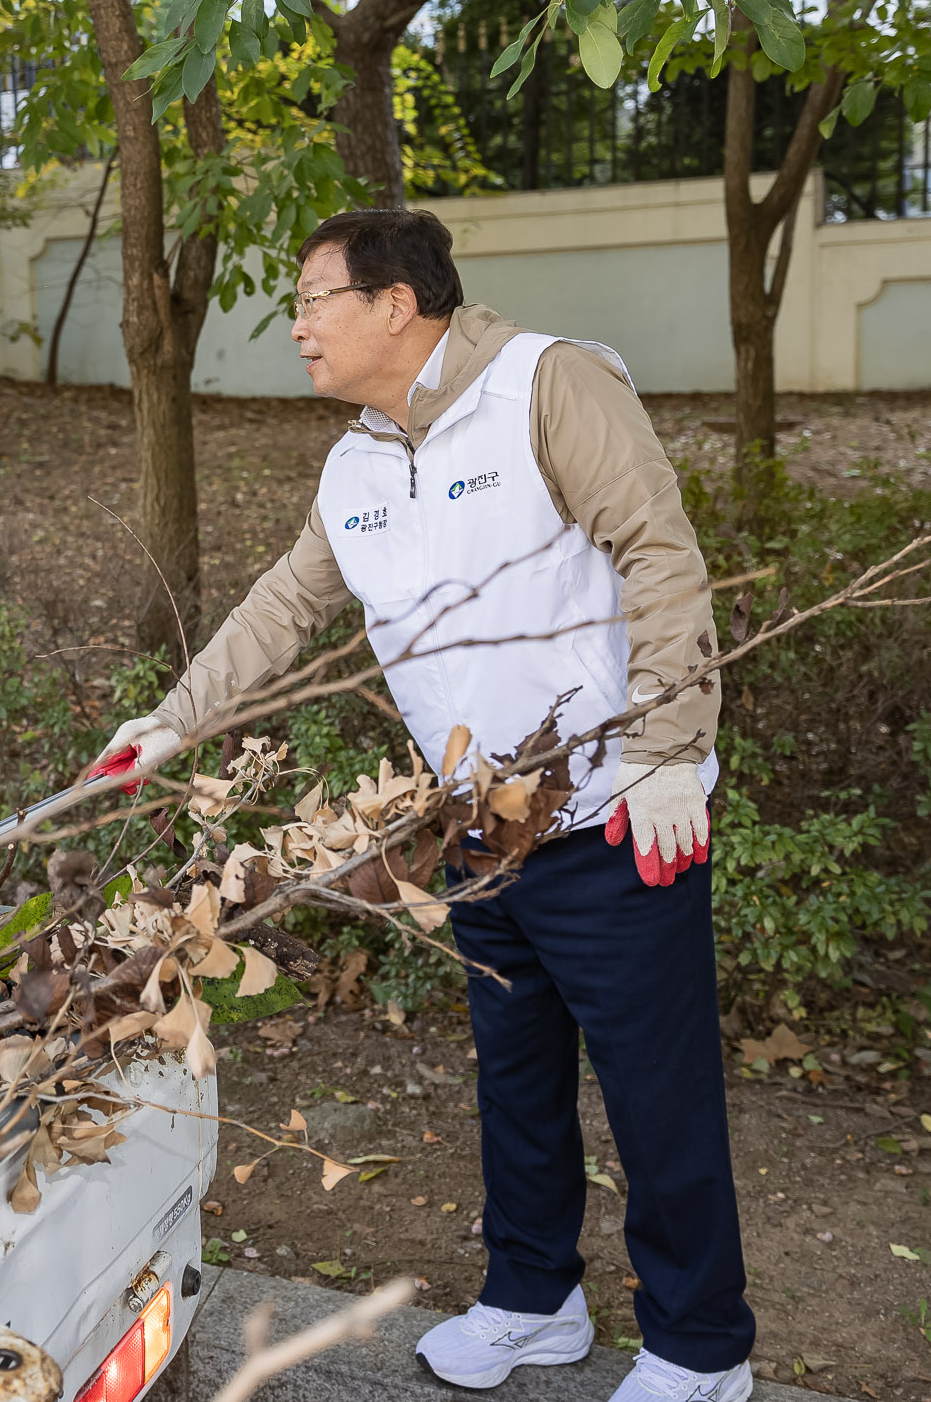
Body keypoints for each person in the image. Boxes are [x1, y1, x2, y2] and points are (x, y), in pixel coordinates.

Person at [100, 209, 752, 1402]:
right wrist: (175, 719)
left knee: (656, 1092)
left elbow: (660, 552)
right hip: (477, 828)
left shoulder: (547, 384)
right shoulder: (354, 459)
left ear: (395, 303)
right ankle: (532, 1297)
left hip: (618, 809)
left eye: (311, 298)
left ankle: (702, 1347)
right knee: (514, 1077)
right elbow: (282, 606)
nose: (295, 325)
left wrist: (669, 745)